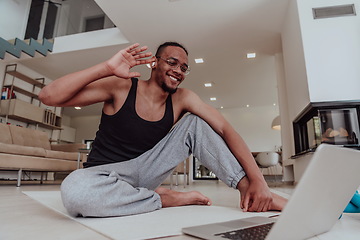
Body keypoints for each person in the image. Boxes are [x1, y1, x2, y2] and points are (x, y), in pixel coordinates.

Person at [39, 42, 287, 217]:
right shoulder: (121, 86)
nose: (178, 71)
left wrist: (257, 181)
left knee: (196, 123)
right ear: (154, 63)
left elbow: (225, 129)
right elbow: (48, 96)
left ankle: (250, 194)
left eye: (183, 67)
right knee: (75, 193)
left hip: (148, 169)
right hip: (103, 174)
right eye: (172, 62)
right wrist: (106, 68)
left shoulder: (182, 98)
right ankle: (163, 198)